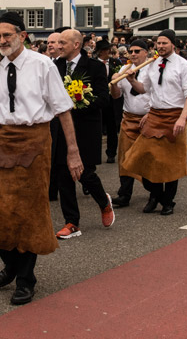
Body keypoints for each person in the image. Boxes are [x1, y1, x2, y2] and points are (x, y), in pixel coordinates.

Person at [0, 11, 82, 306]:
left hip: (34, 142)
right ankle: (12, 264)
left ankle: (25, 279)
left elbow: (63, 109)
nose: (1, 41)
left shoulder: (42, 65)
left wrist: (73, 152)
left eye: (7, 35)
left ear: (22, 36)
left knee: (27, 213)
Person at [121, 30, 187, 214]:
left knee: (170, 163)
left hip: (174, 116)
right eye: (158, 43)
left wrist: (182, 118)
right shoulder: (152, 64)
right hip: (154, 116)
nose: (161, 46)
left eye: (164, 43)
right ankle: (156, 195)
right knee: (143, 159)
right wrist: (132, 81)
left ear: (173, 44)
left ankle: (167, 201)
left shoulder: (183, 65)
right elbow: (144, 89)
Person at [50, 28, 113, 238]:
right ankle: (71, 222)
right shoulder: (55, 66)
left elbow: (104, 99)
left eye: (62, 43)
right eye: (57, 43)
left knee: (85, 174)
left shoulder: (95, 67)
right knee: (63, 175)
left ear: (76, 45)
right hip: (60, 129)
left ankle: (104, 202)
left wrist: (79, 101)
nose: (58, 46)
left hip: (85, 128)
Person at [109, 39, 151, 208]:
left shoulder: (153, 69)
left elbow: (158, 94)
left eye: (137, 51)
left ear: (146, 52)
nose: (133, 54)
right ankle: (124, 194)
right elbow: (116, 95)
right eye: (131, 51)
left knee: (147, 158)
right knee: (125, 157)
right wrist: (114, 82)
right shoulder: (124, 69)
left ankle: (154, 193)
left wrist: (151, 114)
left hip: (148, 119)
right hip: (129, 118)